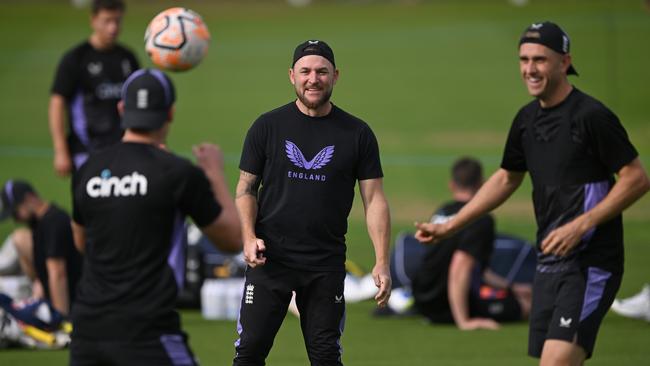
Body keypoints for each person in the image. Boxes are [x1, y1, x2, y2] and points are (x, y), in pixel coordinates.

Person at [415, 21, 650, 365]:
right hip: (548, 263)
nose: (529, 69)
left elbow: (636, 178)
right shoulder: (526, 120)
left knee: (555, 361)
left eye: (540, 59)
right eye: (524, 60)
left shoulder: (591, 116)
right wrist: (451, 226)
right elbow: (506, 178)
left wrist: (581, 225)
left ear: (564, 63)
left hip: (590, 263)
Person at [234, 40, 391, 366]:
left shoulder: (357, 133)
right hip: (270, 261)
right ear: (292, 76)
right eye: (305, 71)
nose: (313, 79)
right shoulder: (267, 126)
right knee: (248, 353)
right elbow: (246, 189)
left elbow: (374, 199)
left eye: (322, 72)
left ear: (336, 75)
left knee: (325, 357)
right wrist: (249, 237)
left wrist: (381, 261)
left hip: (325, 265)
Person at [69, 69, 242, 366]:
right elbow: (232, 238)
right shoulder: (177, 173)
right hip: (147, 332)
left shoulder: (88, 170)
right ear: (170, 112)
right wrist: (214, 173)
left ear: (122, 109)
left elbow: (81, 242)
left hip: (86, 332)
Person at [412, 157, 531, 330]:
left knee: (521, 295)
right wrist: (464, 321)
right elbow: (460, 266)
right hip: (446, 304)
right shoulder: (481, 219)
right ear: (483, 184)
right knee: (527, 305)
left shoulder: (443, 210)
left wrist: (512, 287)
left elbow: (473, 269)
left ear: (452, 185)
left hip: (423, 299)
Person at [49, 0, 139, 176]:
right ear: (93, 20)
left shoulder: (128, 58)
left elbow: (137, 104)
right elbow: (57, 103)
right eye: (107, 21)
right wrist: (60, 151)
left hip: (123, 150)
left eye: (117, 21)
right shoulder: (76, 59)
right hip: (86, 151)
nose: (113, 28)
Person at [0, 180, 82, 316]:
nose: (16, 219)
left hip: (72, 301)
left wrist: (59, 318)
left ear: (29, 199)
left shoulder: (53, 222)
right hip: (54, 296)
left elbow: (58, 274)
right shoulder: (40, 223)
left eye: (16, 212)